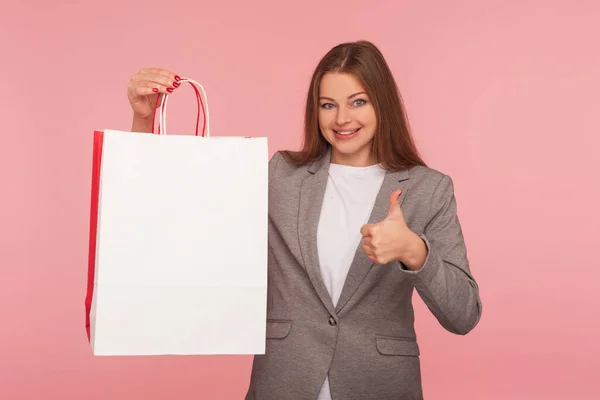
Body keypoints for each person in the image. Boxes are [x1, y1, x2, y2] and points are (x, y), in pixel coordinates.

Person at [126, 40, 482, 400]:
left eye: (358, 102)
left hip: (380, 385)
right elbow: (184, 216)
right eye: (328, 105)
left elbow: (463, 315)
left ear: (383, 105)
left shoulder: (429, 189)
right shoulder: (282, 175)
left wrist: (414, 251)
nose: (342, 119)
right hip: (283, 383)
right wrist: (145, 120)